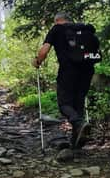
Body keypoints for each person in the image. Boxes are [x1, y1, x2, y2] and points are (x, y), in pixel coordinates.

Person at [32, 12, 95, 148]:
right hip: (88, 70)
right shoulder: (84, 29)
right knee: (78, 103)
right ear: (69, 19)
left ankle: (79, 124)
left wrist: (37, 61)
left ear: (57, 20)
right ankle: (77, 141)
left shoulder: (57, 29)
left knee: (64, 104)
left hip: (68, 70)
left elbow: (44, 51)